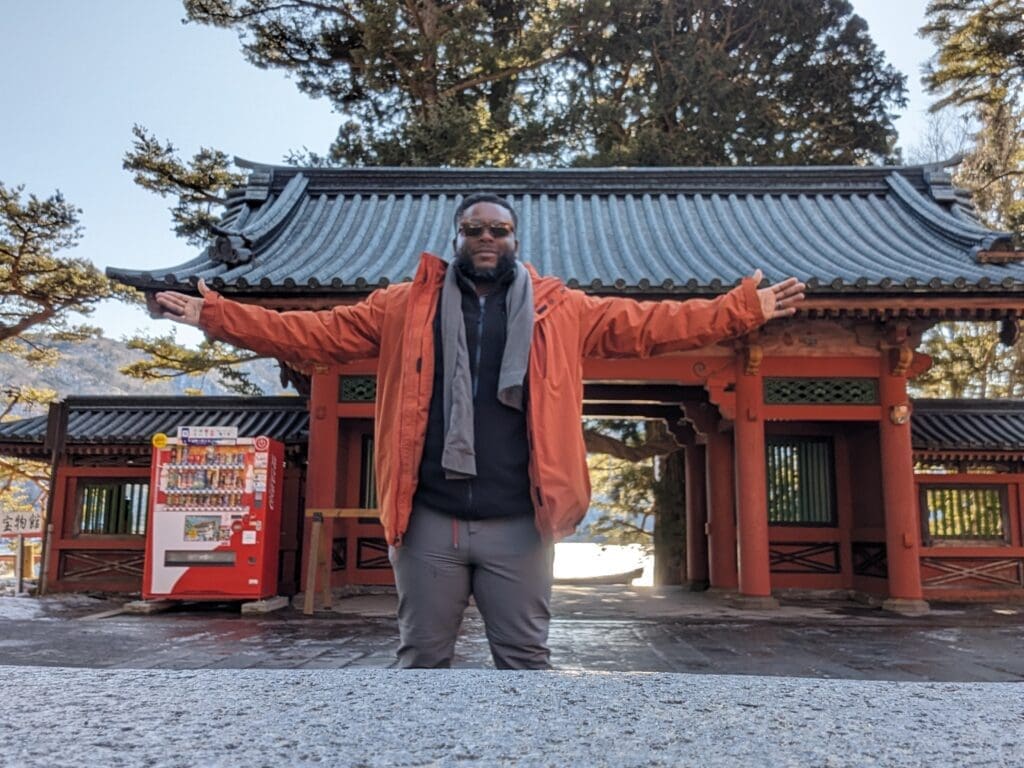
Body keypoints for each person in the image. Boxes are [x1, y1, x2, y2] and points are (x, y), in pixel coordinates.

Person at [149, 192, 805, 670]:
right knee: (422, 659)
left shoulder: (562, 310)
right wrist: (218, 315)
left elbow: (652, 325)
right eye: (473, 229)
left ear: (516, 239)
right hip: (430, 516)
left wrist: (742, 310)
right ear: (457, 237)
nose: (486, 238)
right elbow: (310, 333)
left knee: (524, 660)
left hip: (520, 519)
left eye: (499, 229)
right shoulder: (404, 305)